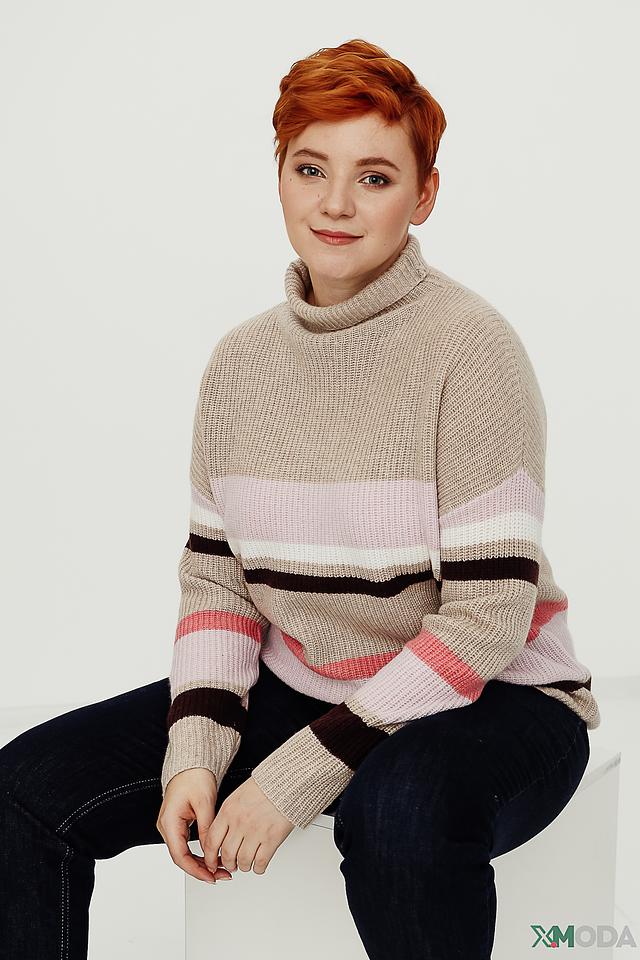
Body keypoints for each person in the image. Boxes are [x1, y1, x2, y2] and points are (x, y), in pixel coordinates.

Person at [0, 37, 600, 960]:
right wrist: (196, 751)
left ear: (424, 196)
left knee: (394, 812)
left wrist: (298, 774)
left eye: (375, 177)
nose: (335, 204)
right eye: (311, 168)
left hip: (497, 697)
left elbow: (487, 620)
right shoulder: (241, 363)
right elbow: (219, 586)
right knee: (25, 789)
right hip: (308, 682)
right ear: (278, 174)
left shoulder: (471, 350)